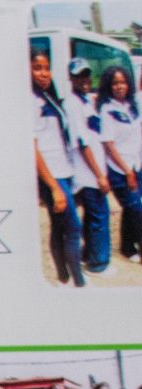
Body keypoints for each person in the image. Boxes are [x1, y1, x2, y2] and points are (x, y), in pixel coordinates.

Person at [34, 51, 87, 288]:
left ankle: (64, 278)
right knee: (74, 228)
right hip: (52, 175)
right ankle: (79, 283)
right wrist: (53, 187)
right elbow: (33, 148)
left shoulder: (48, 97)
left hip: (63, 170)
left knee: (58, 227)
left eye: (47, 68)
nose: (44, 73)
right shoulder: (31, 102)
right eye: (37, 68)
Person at [64, 60, 114, 275]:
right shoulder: (73, 104)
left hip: (93, 170)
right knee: (99, 216)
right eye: (79, 76)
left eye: (86, 75)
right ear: (71, 79)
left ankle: (88, 255)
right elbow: (82, 143)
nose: (84, 80)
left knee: (93, 216)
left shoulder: (85, 101)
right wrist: (99, 175)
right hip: (87, 173)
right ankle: (98, 263)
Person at [96, 66, 141, 263]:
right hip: (119, 169)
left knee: (132, 208)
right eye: (115, 83)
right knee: (136, 208)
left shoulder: (132, 107)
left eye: (122, 82)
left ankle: (127, 247)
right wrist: (127, 171)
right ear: (109, 86)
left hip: (136, 164)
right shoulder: (107, 110)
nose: (119, 86)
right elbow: (108, 144)